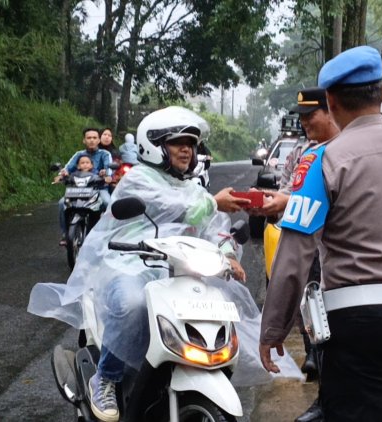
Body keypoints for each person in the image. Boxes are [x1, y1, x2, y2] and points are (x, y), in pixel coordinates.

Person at [30, 106, 273, 422]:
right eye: (177, 142)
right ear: (154, 147)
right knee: (133, 303)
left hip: (177, 268)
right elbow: (173, 208)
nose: (187, 149)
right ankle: (105, 378)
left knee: (215, 304)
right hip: (128, 261)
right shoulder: (139, 180)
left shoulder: (192, 187)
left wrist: (226, 251)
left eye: (191, 143)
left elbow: (215, 226)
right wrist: (213, 201)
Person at [259, 46, 382, 422]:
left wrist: (273, 327)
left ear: (330, 101)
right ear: (381, 92)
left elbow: (295, 253)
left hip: (359, 324)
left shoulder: (321, 161)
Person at [251, 87, 339, 422]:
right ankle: (318, 367)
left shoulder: (322, 157)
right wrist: (276, 199)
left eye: (309, 115)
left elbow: (290, 262)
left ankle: (327, 395)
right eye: (300, 116)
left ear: (333, 108)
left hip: (343, 277)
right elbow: (290, 187)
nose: (303, 122)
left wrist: (273, 328)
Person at [55, 128, 112, 246]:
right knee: (62, 203)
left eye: (94, 138)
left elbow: (109, 169)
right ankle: (66, 234)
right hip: (78, 190)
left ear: (98, 140)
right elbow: (67, 168)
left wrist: (106, 174)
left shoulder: (105, 154)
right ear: (84, 140)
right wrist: (62, 174)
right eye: (89, 138)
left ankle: (109, 233)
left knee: (107, 203)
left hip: (99, 189)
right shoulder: (78, 154)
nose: (91, 140)